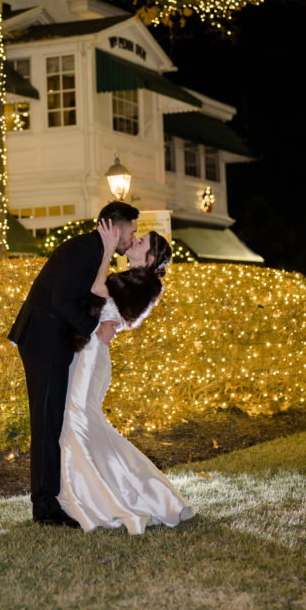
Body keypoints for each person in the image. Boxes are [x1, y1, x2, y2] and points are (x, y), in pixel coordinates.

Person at [57, 220, 196, 534]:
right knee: (80, 417)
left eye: (142, 240)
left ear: (150, 257)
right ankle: (98, 489)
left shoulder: (148, 282)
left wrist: (106, 250)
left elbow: (96, 290)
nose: (135, 240)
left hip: (93, 354)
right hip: (89, 348)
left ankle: (106, 494)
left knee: (78, 415)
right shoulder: (133, 277)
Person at [8, 201, 140, 527]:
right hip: (44, 342)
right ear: (115, 227)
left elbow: (85, 295)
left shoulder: (93, 249)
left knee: (51, 421)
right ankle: (45, 507)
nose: (133, 237)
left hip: (49, 340)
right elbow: (62, 301)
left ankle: (50, 500)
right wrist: (97, 329)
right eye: (132, 231)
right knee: (46, 424)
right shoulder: (85, 249)